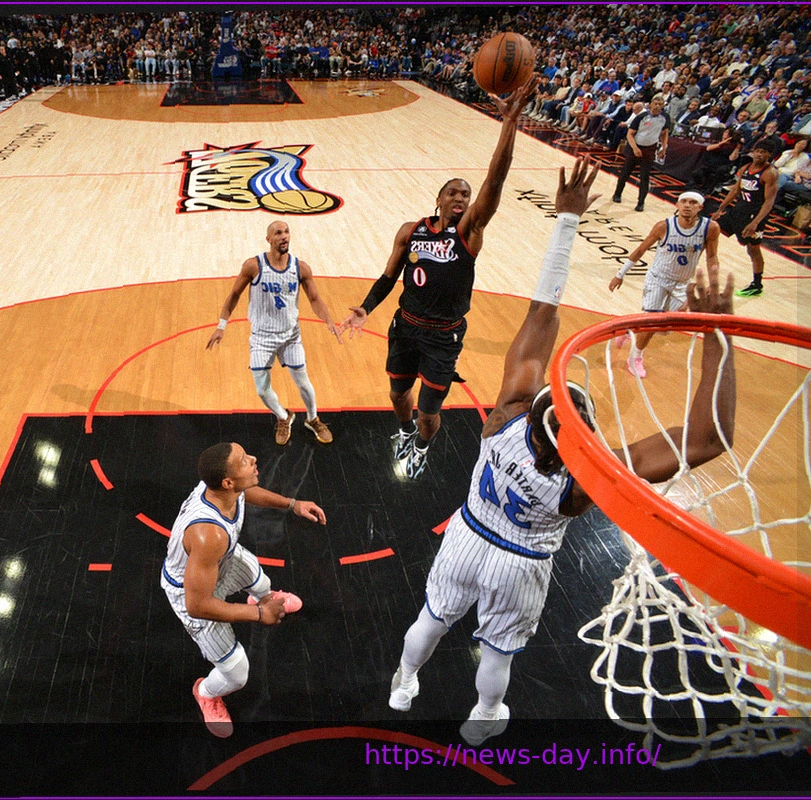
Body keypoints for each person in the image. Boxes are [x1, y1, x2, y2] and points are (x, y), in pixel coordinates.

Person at [387, 157, 736, 748]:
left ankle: (403, 685)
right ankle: (483, 717)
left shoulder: (506, 415)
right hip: (523, 560)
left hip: (469, 533)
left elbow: (542, 311)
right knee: (497, 653)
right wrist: (717, 333)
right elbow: (709, 438)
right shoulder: (591, 470)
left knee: (431, 620)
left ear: (537, 408)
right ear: (585, 432)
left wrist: (568, 219)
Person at [339, 77, 539, 479]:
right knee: (398, 395)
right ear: (439, 199)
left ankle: (422, 445)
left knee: (430, 414)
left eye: (466, 194)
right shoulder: (410, 230)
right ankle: (404, 431)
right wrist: (365, 307)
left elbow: (495, 181)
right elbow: (388, 277)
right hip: (405, 327)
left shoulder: (469, 232)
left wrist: (509, 125)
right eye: (453, 193)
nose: (461, 197)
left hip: (443, 337)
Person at [163, 442, 327, 737]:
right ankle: (206, 693)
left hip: (220, 560)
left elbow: (246, 492)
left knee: (262, 582)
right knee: (237, 673)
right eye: (243, 461)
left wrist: (293, 504)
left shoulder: (222, 488)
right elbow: (197, 605)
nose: (253, 458)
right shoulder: (208, 534)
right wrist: (259, 614)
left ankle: (263, 598)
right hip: (191, 592)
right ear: (227, 482)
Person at [207, 221, 341, 445]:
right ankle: (283, 416)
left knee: (303, 383)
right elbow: (234, 295)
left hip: (290, 336)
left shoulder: (301, 268)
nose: (284, 236)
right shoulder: (253, 266)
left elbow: (315, 299)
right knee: (262, 390)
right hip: (262, 337)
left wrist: (328, 320)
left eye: (287, 231)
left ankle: (312, 419)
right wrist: (221, 325)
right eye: (278, 233)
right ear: (268, 239)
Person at [608, 190, 721, 377]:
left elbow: (712, 256)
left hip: (682, 282)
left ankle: (630, 331)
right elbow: (641, 249)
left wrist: (714, 281)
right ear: (677, 205)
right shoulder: (664, 226)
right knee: (652, 322)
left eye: (693, 202)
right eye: (684, 201)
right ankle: (635, 358)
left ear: (700, 207)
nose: (687, 205)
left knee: (667, 328)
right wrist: (620, 274)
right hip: (658, 279)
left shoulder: (710, 228)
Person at [711, 137, 779, 298]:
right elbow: (735, 190)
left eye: (764, 152)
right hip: (739, 210)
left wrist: (755, 222)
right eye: (758, 151)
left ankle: (757, 284)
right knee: (710, 228)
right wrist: (720, 209)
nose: (759, 154)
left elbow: (769, 202)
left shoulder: (770, 173)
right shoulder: (745, 168)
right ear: (753, 152)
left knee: (753, 249)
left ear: (769, 155)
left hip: (755, 214)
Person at [612, 93, 670, 212]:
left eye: (660, 104)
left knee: (645, 177)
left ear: (663, 106)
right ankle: (617, 194)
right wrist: (635, 148)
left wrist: (664, 147)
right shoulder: (641, 116)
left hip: (649, 149)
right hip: (635, 146)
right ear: (651, 104)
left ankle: (641, 202)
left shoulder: (665, 118)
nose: (657, 106)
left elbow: (664, 133)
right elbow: (630, 134)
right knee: (625, 173)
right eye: (655, 104)